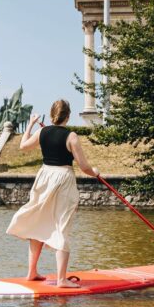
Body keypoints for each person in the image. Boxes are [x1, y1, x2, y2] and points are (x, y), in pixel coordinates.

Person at [6, 99, 100, 288]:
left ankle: (31, 272)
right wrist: (95, 172)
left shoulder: (42, 131)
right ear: (68, 116)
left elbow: (23, 146)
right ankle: (61, 279)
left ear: (51, 115)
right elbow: (84, 166)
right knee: (62, 225)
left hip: (44, 177)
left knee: (39, 221)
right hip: (63, 179)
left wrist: (31, 124)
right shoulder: (71, 136)